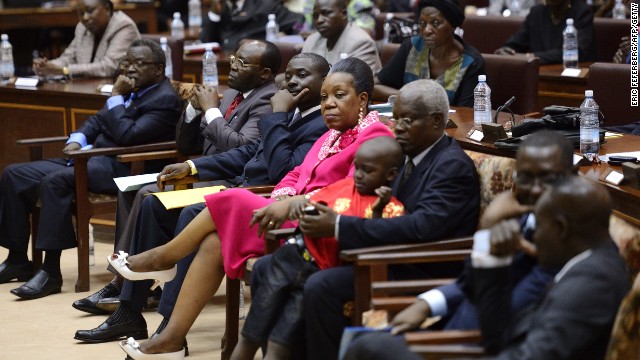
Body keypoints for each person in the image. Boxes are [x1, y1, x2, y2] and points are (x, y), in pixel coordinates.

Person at [111, 57, 394, 359]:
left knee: (233, 198)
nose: (328, 104)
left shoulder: (375, 135)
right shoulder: (332, 134)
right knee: (213, 242)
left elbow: (354, 190)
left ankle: (165, 257)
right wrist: (284, 196)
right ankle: (172, 339)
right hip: (286, 216)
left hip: (316, 229)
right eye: (325, 97)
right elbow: (296, 174)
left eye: (339, 96)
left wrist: (293, 204)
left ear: (362, 98)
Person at [72, 53, 331, 343]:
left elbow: (281, 169)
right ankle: (129, 313)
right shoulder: (292, 111)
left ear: (324, 83)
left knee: (192, 212)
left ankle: (171, 329)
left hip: (258, 197)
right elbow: (247, 153)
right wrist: (193, 167)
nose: (293, 82)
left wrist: (277, 116)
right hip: (237, 187)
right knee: (152, 204)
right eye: (291, 74)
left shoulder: (320, 122)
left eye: (303, 75)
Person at [341, 131, 577, 359]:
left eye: (546, 178)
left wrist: (489, 227)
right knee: (361, 342)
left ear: (571, 176)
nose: (536, 189)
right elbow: (470, 280)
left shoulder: (566, 240)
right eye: (526, 177)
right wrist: (427, 304)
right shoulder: (522, 217)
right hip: (451, 329)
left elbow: (507, 312)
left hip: (470, 346)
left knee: (367, 347)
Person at [295, 78, 481, 360]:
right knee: (283, 268)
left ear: (436, 121)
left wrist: (338, 226)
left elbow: (423, 227)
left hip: (421, 269)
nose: (399, 127)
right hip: (384, 255)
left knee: (321, 286)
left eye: (408, 120)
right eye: (396, 119)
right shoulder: (403, 155)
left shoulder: (452, 167)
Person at [347, 176, 631, 359]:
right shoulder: (584, 263)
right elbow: (499, 336)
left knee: (370, 349)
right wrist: (494, 260)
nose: (533, 235)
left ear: (560, 229)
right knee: (370, 347)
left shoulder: (593, 283)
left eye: (538, 227)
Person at [0, 39, 182, 300]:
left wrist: (116, 98)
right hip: (90, 159)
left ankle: (50, 271)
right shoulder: (133, 89)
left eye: (139, 64)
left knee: (56, 181)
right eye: (127, 62)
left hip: (124, 168)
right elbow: (96, 121)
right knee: (14, 174)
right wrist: (78, 139)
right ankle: (17, 258)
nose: (130, 69)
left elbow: (128, 135)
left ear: (159, 69)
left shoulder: (164, 99)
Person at [233, 136, 406, 360]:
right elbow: (311, 206)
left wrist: (378, 209)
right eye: (358, 168)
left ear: (390, 174)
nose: (359, 176)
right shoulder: (344, 186)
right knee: (250, 338)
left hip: (316, 273)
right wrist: (301, 210)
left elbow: (375, 237)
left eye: (368, 171)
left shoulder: (392, 209)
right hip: (290, 259)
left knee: (279, 344)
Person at [374, 0, 485, 106]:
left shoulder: (471, 62)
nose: (427, 30)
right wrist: (409, 97)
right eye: (422, 23)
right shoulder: (412, 46)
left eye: (435, 23)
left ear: (453, 25)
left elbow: (467, 113)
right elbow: (375, 86)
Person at [32, 0, 140, 78]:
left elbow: (109, 68)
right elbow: (67, 58)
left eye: (90, 11)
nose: (85, 17)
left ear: (107, 9)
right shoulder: (82, 28)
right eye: (81, 13)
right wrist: (46, 66)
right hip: (88, 89)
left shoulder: (123, 26)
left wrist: (65, 70)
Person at [494, 0, 596, 65]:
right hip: (539, 74)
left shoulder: (582, 12)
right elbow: (516, 42)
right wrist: (506, 50)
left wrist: (532, 56)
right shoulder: (537, 12)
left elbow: (579, 51)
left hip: (572, 72)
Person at [302, 0, 382, 74]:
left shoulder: (362, 43)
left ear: (344, 14)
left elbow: (357, 85)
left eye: (326, 13)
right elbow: (301, 75)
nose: (319, 20)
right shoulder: (311, 40)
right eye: (315, 16)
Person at [201, 0, 304, 50]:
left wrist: (299, 36)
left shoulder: (265, 5)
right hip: (223, 63)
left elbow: (298, 22)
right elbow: (206, 42)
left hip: (253, 65)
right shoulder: (220, 6)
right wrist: (214, 14)